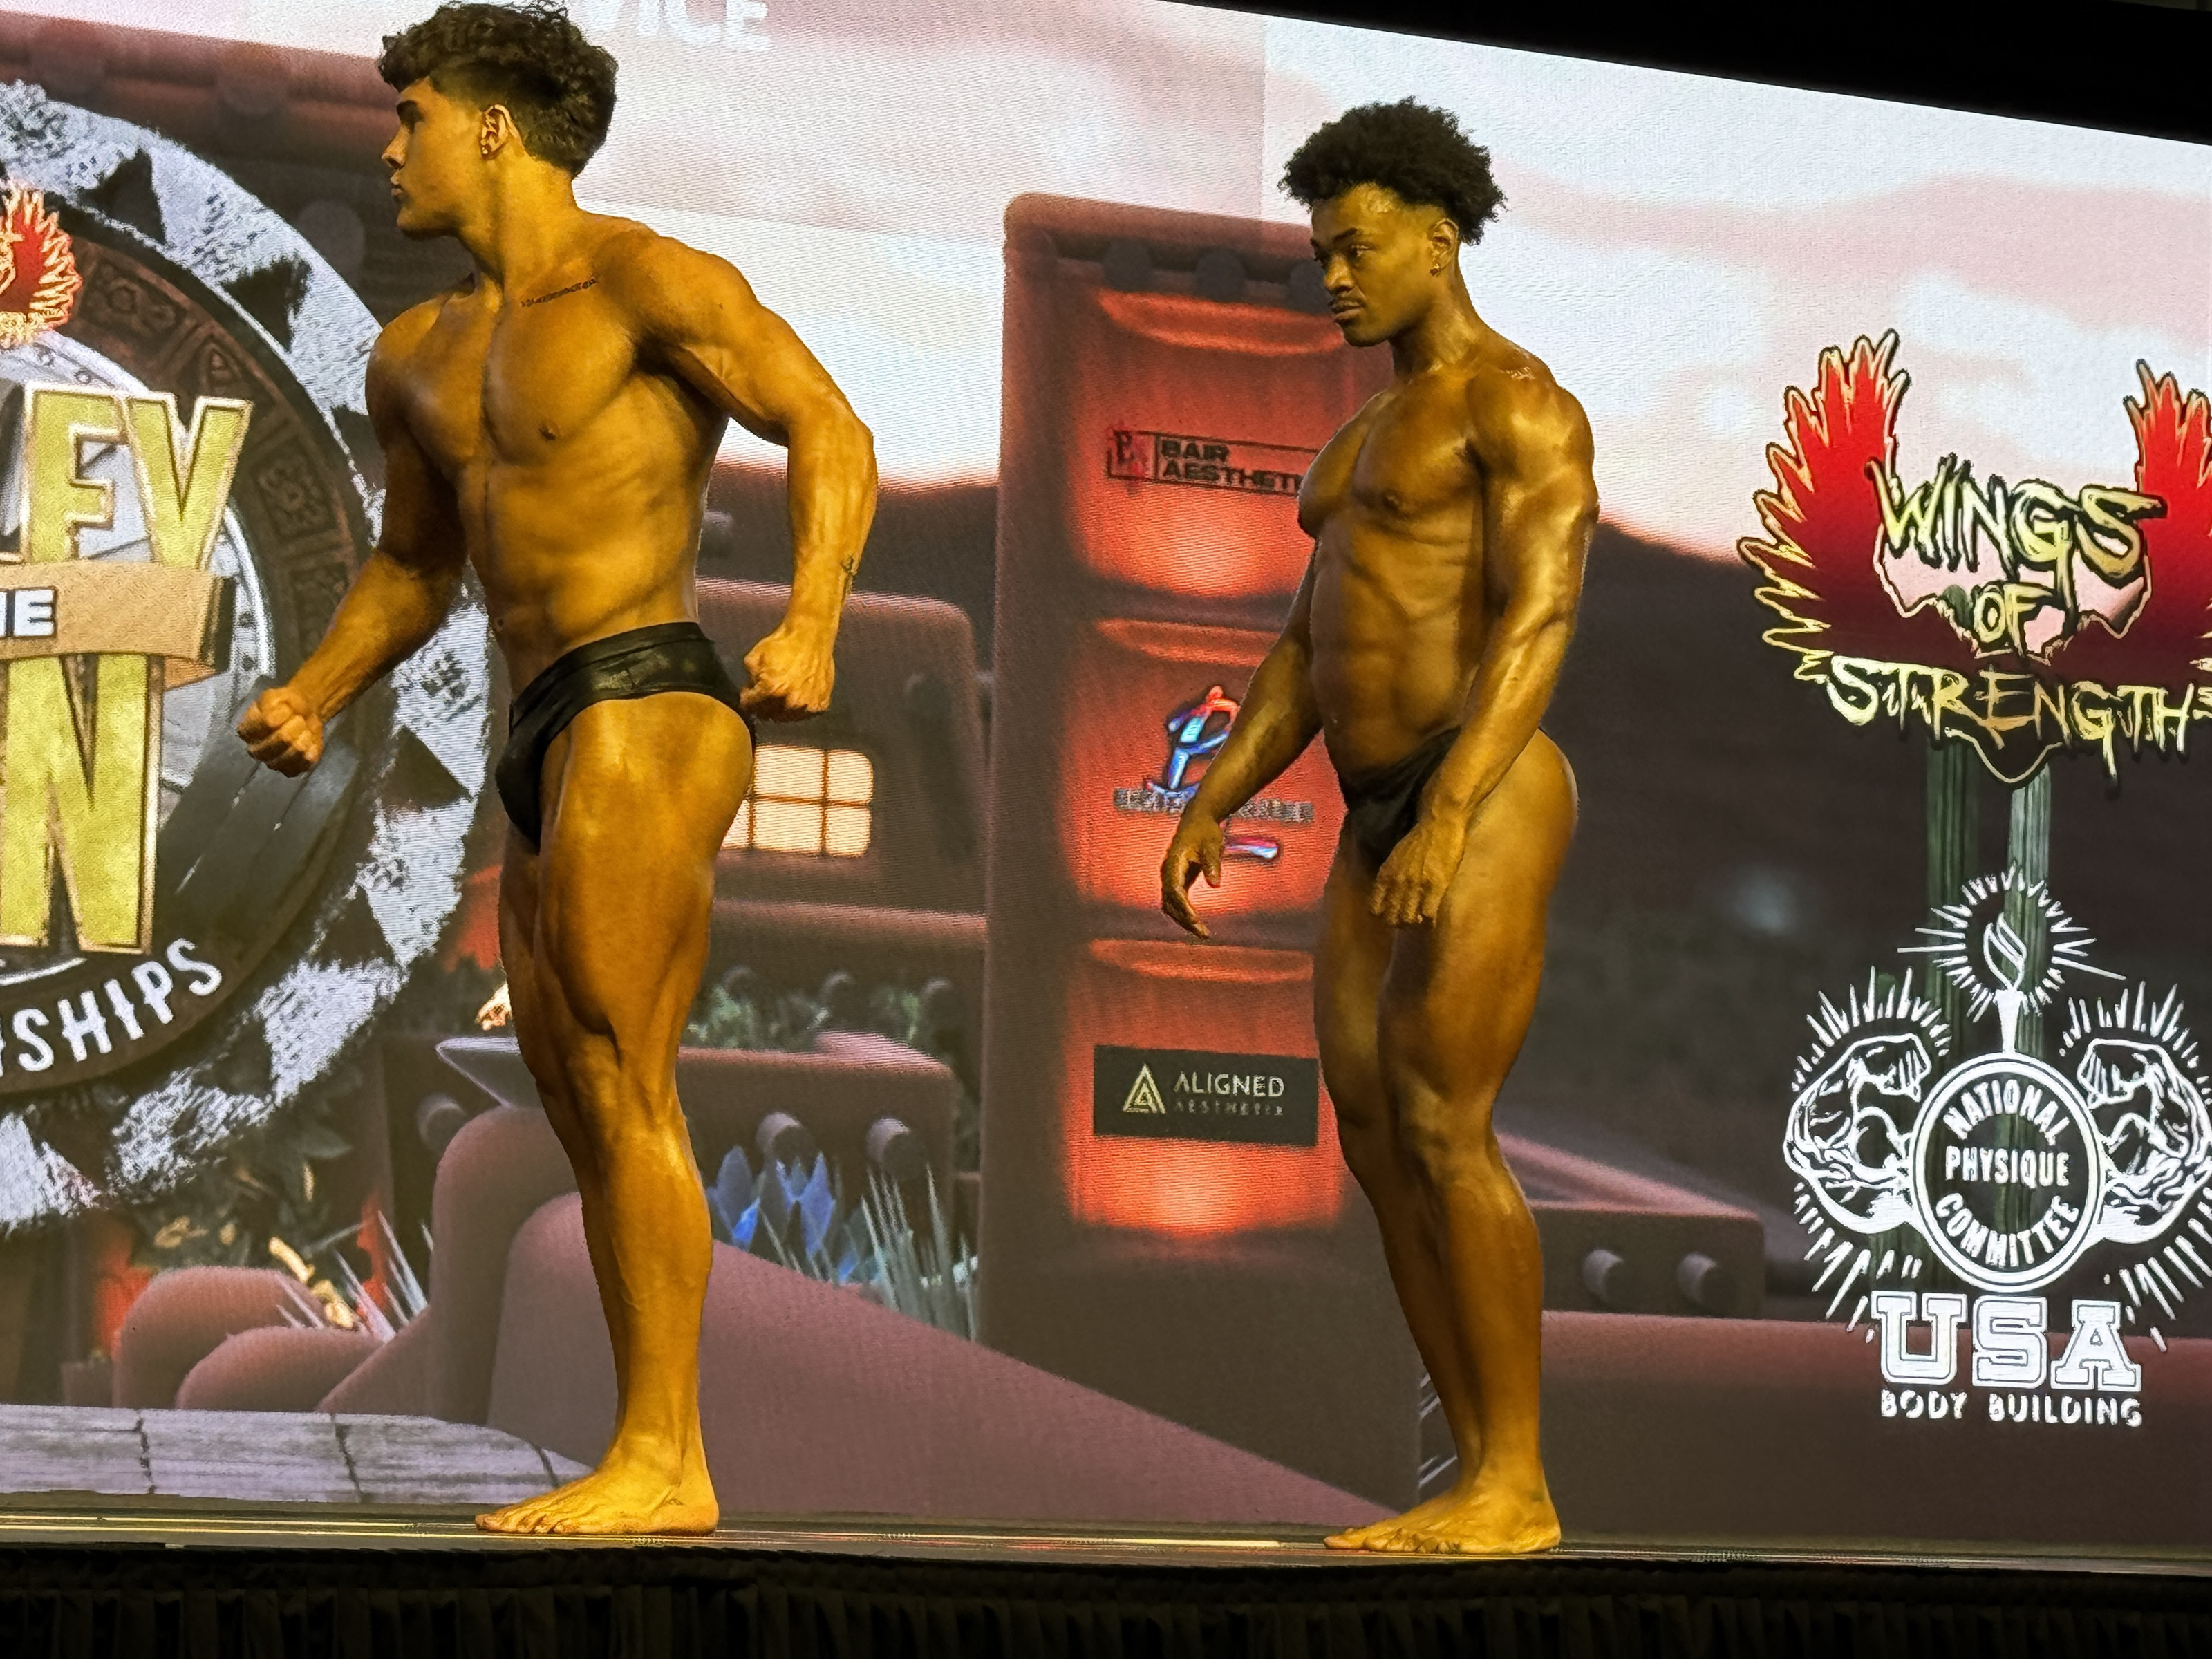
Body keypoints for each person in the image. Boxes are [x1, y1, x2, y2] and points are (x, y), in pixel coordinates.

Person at [237, 0, 876, 1535]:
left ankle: (668, 1459)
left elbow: (827, 426)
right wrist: (317, 691)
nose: (391, 149)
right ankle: (649, 1447)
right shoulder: (418, 353)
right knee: (575, 1085)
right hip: (537, 724)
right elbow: (414, 565)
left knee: (617, 1060)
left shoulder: (645, 281)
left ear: (493, 126)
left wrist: (812, 623)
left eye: (411, 119)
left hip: (648, 691)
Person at [1160, 100, 1595, 1556]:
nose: (1333, 278)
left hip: (1486, 782)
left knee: (1443, 1119)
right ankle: (1476, 1472)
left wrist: (1450, 811)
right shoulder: (1356, 442)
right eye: (1320, 256)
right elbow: (1306, 649)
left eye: (1355, 249)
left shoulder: (1516, 405)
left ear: (1439, 238)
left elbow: (1539, 617)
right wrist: (1216, 795)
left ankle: (1518, 1480)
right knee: (1372, 1128)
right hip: (1372, 803)